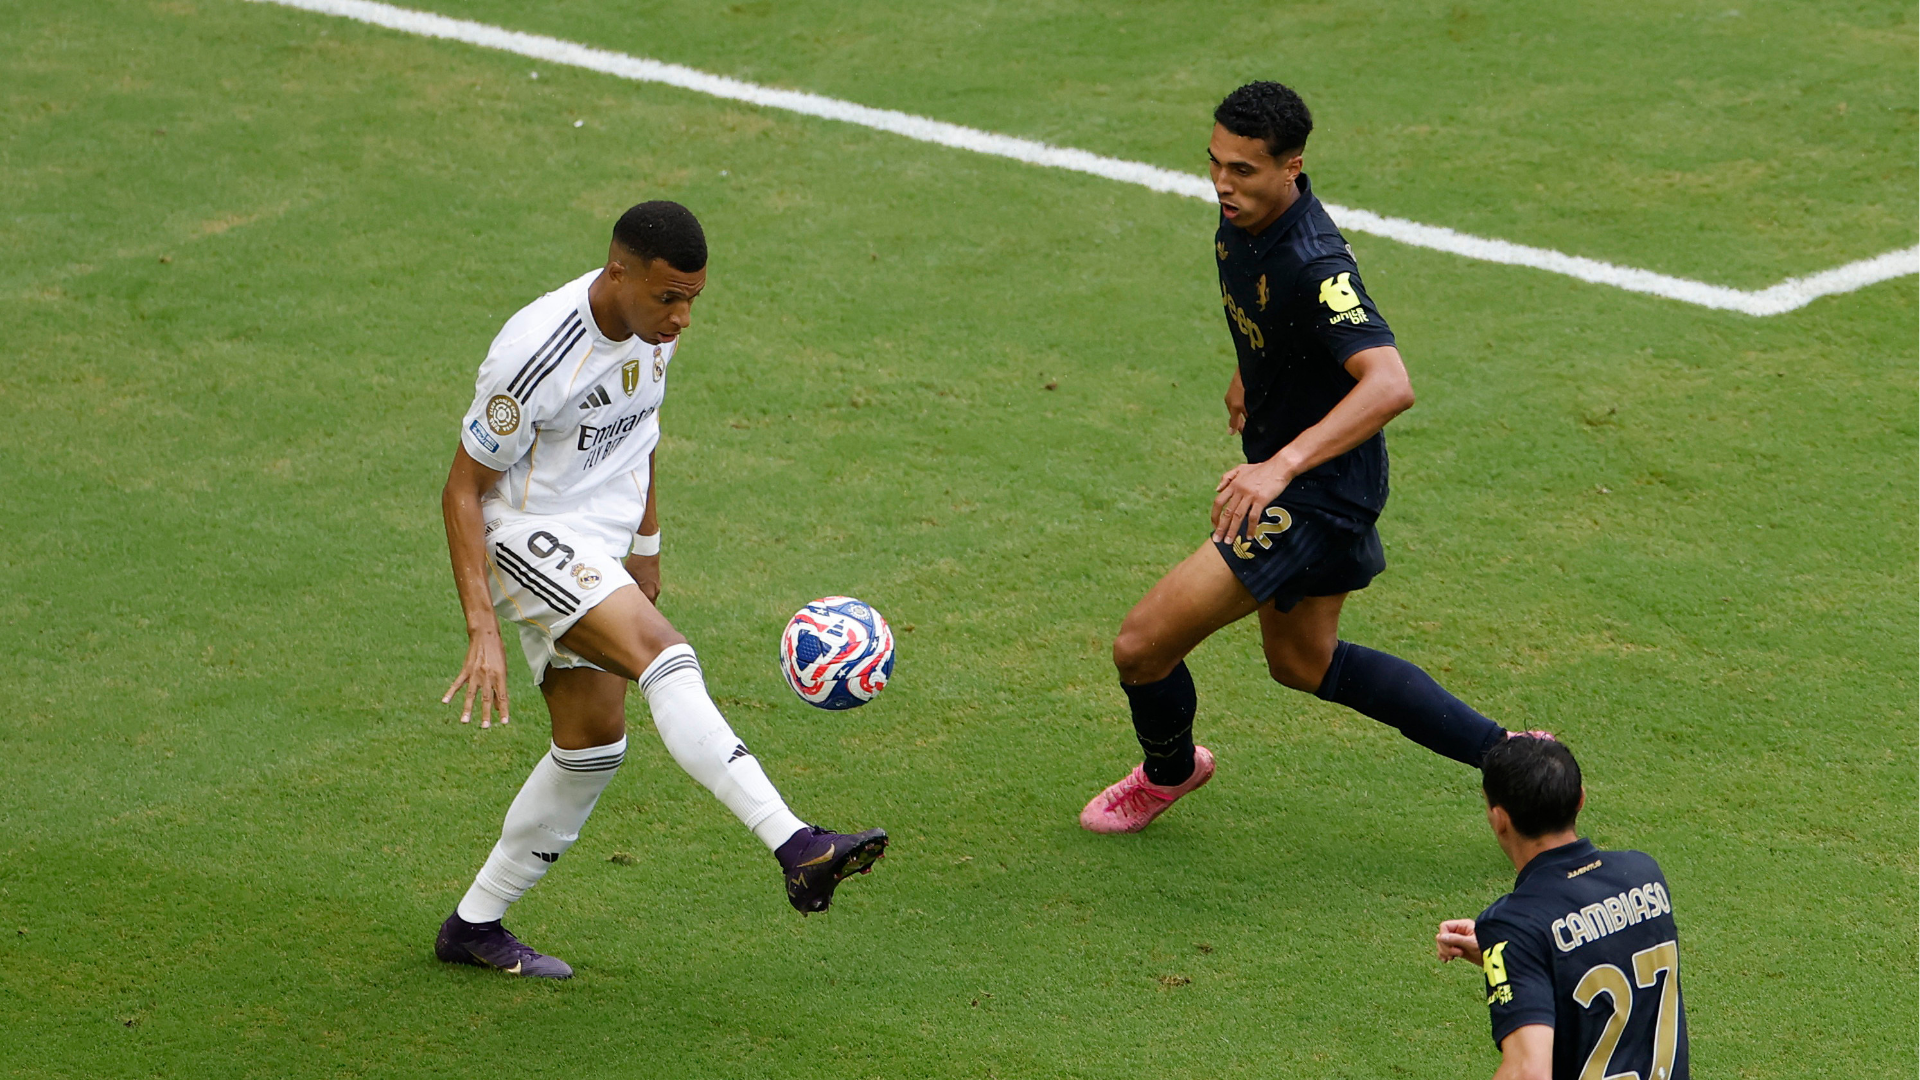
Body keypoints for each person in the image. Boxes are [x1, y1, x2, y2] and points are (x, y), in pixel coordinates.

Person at [434, 201, 886, 978]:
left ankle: (473, 926)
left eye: (693, 300)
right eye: (668, 296)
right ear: (619, 273)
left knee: (592, 745)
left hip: (601, 543)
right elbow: (461, 488)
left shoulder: (653, 334)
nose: (681, 318)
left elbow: (641, 436)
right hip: (524, 532)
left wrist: (645, 547)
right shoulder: (535, 352)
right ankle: (797, 843)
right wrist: (482, 623)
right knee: (666, 657)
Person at [1081, 81, 1510, 833]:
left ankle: (1170, 773)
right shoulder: (1241, 221)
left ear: (1292, 168)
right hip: (1314, 476)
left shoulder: (1317, 263)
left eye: (1244, 170)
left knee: (1141, 647)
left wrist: (1279, 466)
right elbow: (1274, 318)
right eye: (1215, 163)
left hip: (1312, 492)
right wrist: (1254, 369)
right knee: (1303, 661)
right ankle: (1510, 759)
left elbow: (1390, 383)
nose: (1222, 183)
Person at [1435, 735, 1689, 1080]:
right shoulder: (1643, 874)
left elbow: (1529, 1072)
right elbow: (1605, 946)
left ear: (1499, 819)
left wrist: (1515, 944)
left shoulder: (1513, 923)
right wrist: (1508, 956)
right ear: (1580, 799)